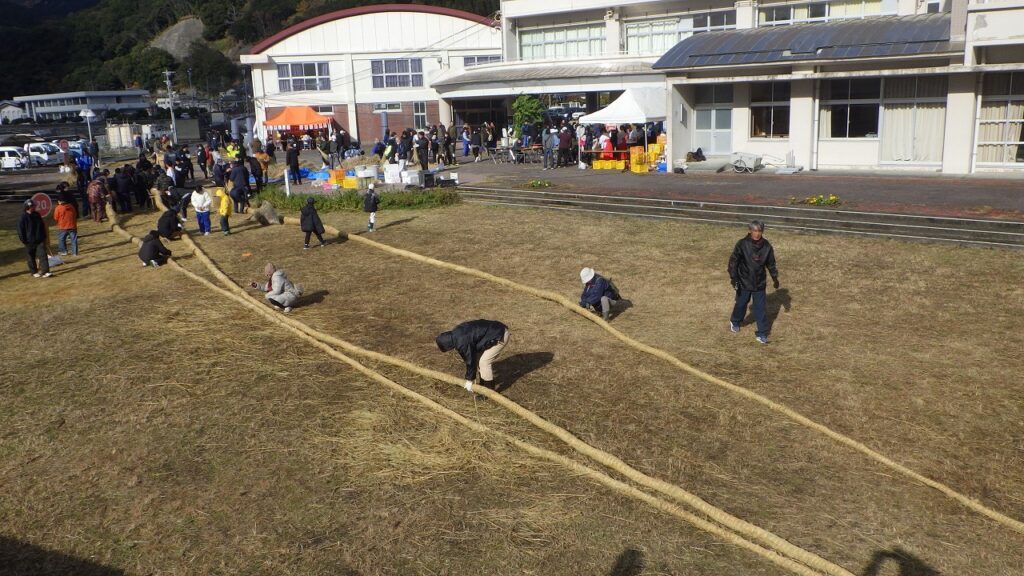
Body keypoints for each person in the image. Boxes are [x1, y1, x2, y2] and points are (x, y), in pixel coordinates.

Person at [728, 220, 780, 344]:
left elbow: (771, 264)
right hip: (744, 280)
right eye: (755, 231)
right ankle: (735, 321)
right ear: (750, 231)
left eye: (759, 231)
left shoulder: (767, 246)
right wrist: (734, 277)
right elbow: (734, 261)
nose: (757, 234)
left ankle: (762, 334)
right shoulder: (742, 244)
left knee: (760, 308)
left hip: (759, 282)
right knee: (741, 303)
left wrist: (775, 278)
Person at [435, 320, 510, 393]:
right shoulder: (456, 334)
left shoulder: (461, 341)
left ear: (448, 345)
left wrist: (469, 380)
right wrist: (471, 376)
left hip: (500, 335)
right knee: (478, 360)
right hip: (494, 331)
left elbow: (470, 360)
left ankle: (489, 392)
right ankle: (483, 385)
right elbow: (469, 357)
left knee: (484, 362)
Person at [18, 199, 51, 278]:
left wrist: (44, 236)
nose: (34, 207)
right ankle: (34, 272)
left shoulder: (37, 214)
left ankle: (45, 271)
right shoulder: (23, 217)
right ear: (28, 207)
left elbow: (42, 226)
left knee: (43, 255)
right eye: (32, 206)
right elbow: (20, 230)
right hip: (29, 241)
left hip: (40, 239)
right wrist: (24, 240)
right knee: (31, 257)